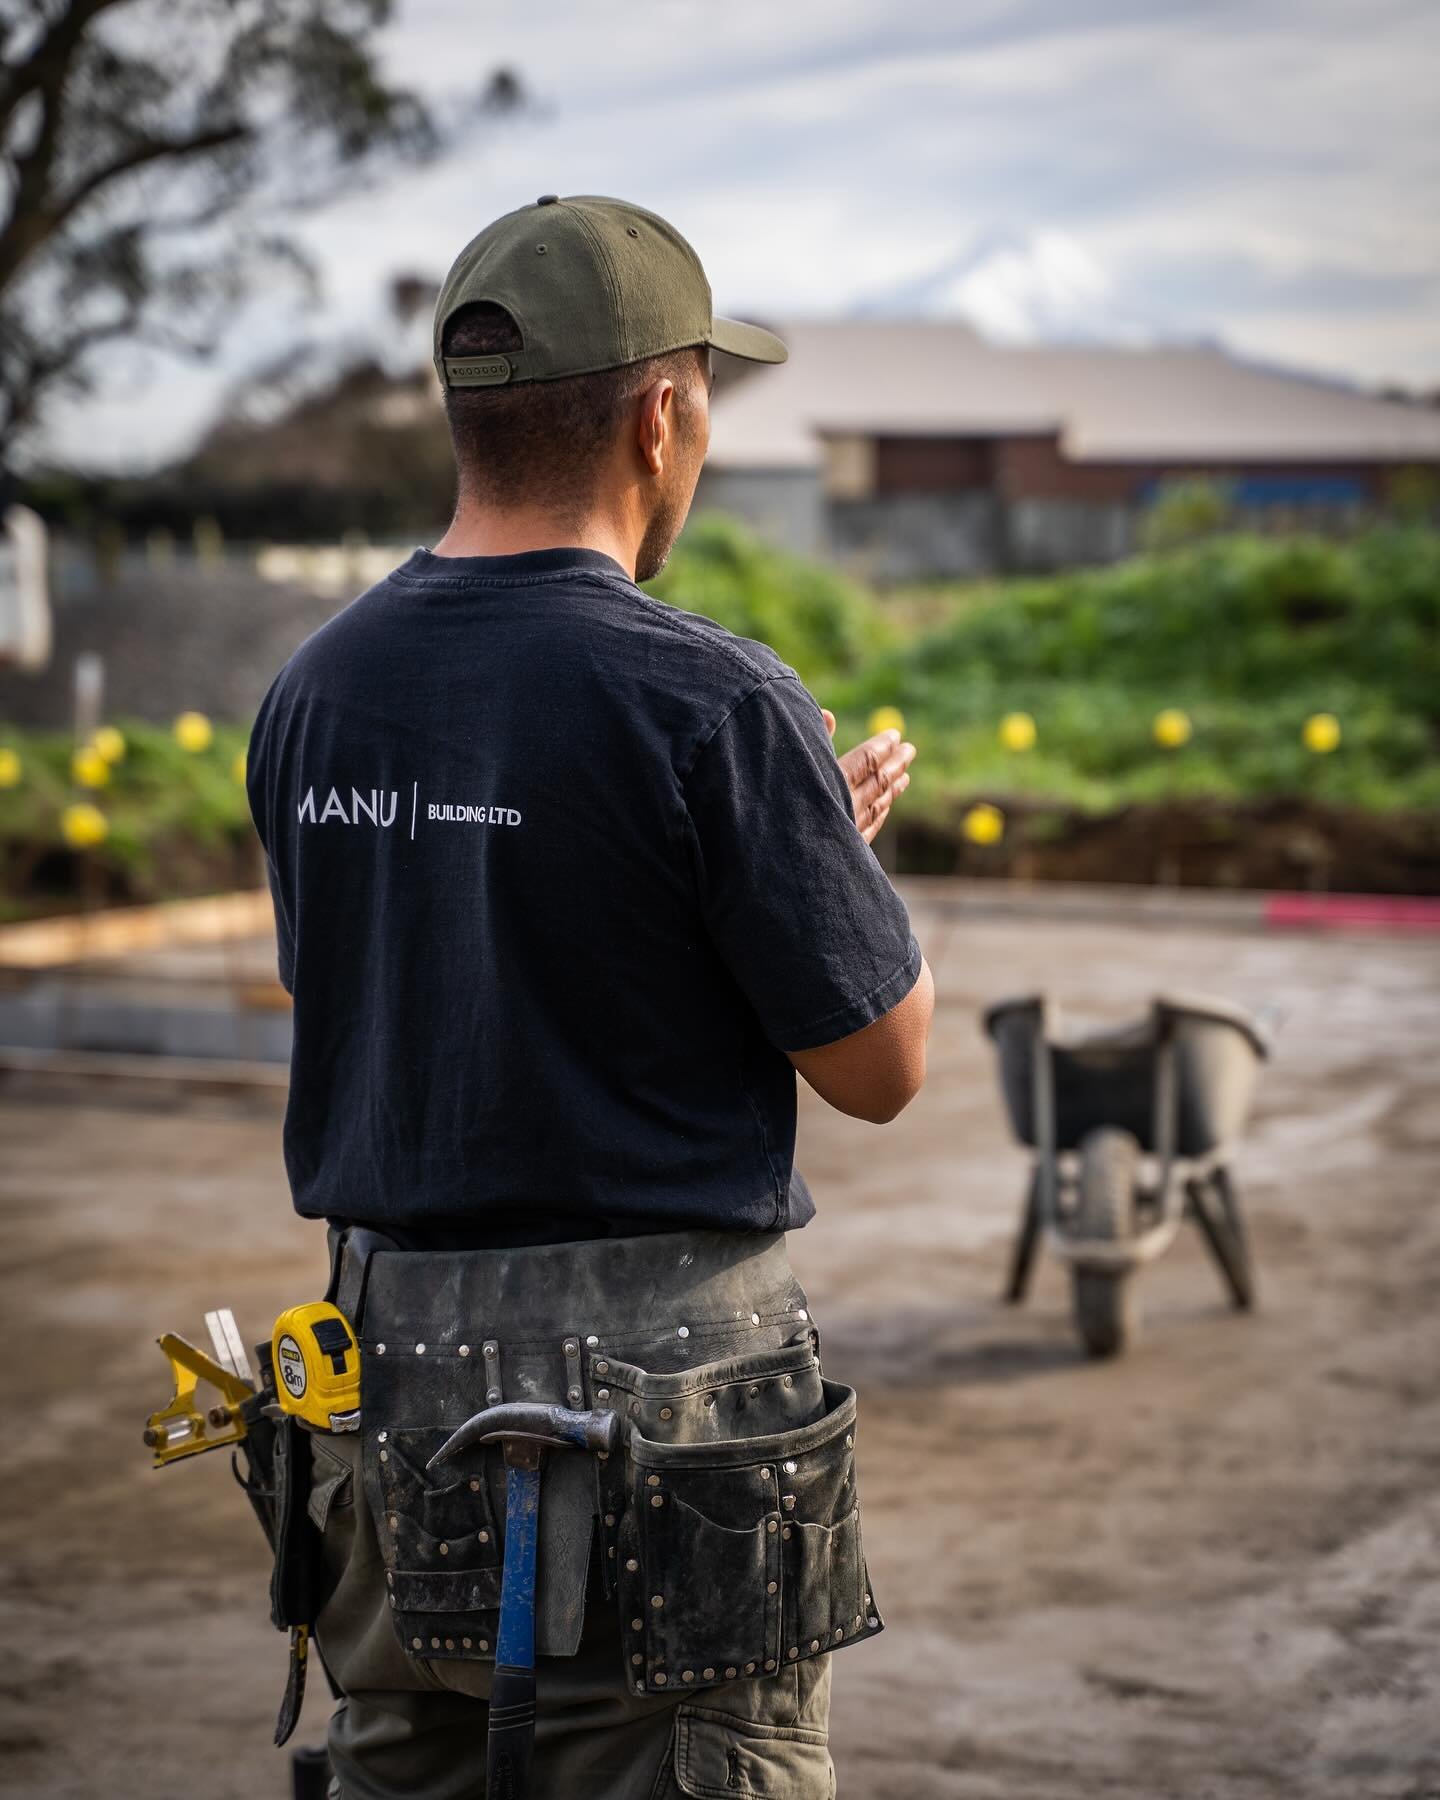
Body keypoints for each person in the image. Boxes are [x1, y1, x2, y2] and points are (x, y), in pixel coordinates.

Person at [245, 192, 934, 1800]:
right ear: (662, 414)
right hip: (670, 1452)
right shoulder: (714, 703)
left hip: (385, 1431)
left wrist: (780, 848)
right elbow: (882, 1066)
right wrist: (820, 857)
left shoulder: (314, 693)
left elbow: (445, 974)